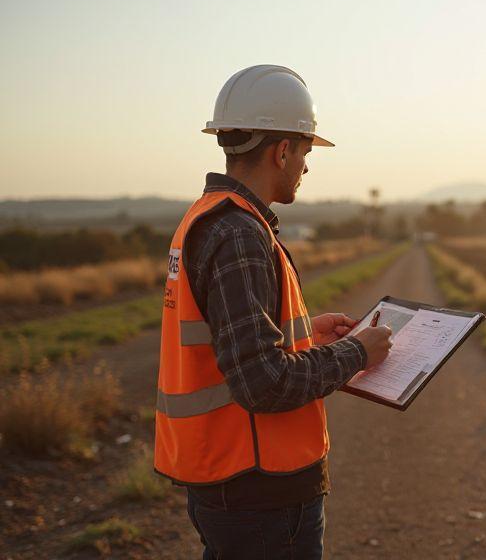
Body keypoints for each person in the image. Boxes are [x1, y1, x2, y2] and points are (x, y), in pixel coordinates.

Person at [154, 65, 392, 560]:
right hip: (259, 490)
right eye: (305, 151)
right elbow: (262, 382)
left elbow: (239, 348)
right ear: (282, 151)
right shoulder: (239, 233)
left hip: (232, 482)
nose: (306, 166)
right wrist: (356, 353)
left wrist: (308, 338)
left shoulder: (209, 217)